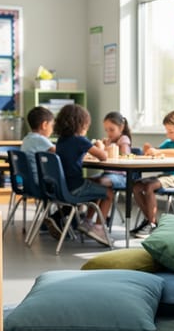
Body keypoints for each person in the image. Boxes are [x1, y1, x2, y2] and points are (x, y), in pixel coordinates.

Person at [52, 103, 112, 247]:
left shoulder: (61, 140)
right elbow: (103, 156)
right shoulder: (80, 140)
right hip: (75, 187)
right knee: (109, 192)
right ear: (81, 124)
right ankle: (97, 228)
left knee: (96, 185)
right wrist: (100, 146)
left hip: (62, 187)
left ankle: (87, 222)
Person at [130, 109, 174, 238]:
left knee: (149, 187)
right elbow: (157, 151)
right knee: (136, 186)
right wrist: (149, 150)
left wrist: (157, 151)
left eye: (171, 131)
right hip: (165, 177)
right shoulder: (168, 142)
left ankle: (152, 224)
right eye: (166, 131)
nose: (167, 134)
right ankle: (150, 220)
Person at [92, 111, 132, 225]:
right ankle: (89, 220)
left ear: (121, 127)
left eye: (112, 129)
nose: (109, 133)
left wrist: (105, 150)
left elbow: (125, 157)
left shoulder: (123, 139)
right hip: (108, 175)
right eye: (106, 130)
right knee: (92, 182)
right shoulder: (109, 140)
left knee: (100, 183)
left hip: (121, 176)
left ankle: (99, 224)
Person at [20, 106, 56, 182]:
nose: (52, 130)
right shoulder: (40, 139)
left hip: (29, 183)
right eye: (52, 126)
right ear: (44, 125)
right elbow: (59, 152)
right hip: (40, 183)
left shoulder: (27, 138)